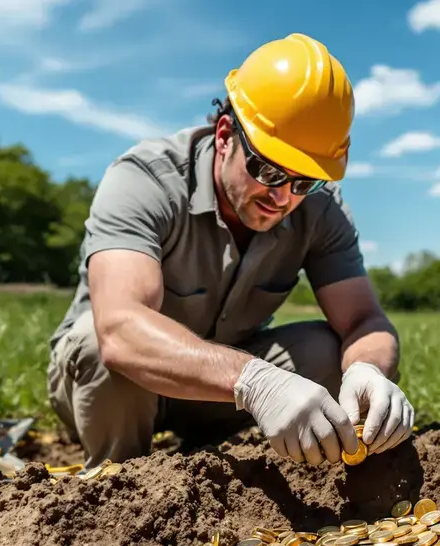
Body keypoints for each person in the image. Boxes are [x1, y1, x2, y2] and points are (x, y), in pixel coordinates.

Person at [46, 33, 414, 469]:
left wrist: (367, 369)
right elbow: (121, 331)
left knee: (327, 348)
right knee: (97, 342)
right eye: (268, 170)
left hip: (215, 392)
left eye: (304, 182)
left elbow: (363, 320)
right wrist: (256, 382)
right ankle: (119, 487)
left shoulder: (321, 210)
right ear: (225, 135)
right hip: (115, 389)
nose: (282, 197)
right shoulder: (145, 179)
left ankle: (222, 464)